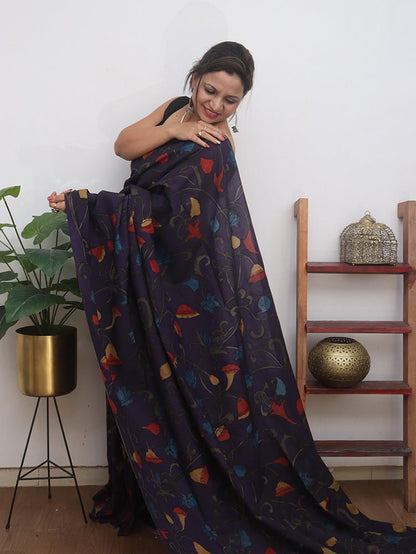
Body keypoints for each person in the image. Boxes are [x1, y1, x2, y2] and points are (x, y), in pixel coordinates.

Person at [48, 42, 416, 553]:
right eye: (210, 90)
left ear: (242, 104)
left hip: (187, 293)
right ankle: (155, 496)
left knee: (196, 395)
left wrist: (93, 206)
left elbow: (182, 223)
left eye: (230, 100)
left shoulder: (219, 147)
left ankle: (206, 498)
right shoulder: (175, 111)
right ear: (195, 78)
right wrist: (173, 129)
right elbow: (123, 145)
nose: (216, 105)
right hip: (141, 280)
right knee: (141, 381)